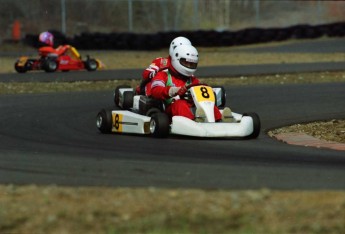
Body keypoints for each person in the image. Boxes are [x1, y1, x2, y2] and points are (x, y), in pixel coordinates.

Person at [150, 44, 230, 122]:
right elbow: (155, 91)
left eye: (192, 64)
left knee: (208, 104)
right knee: (180, 104)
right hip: (169, 109)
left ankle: (219, 120)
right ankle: (195, 122)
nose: (189, 66)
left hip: (191, 108)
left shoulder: (192, 79)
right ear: (176, 59)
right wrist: (174, 91)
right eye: (186, 62)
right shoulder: (163, 74)